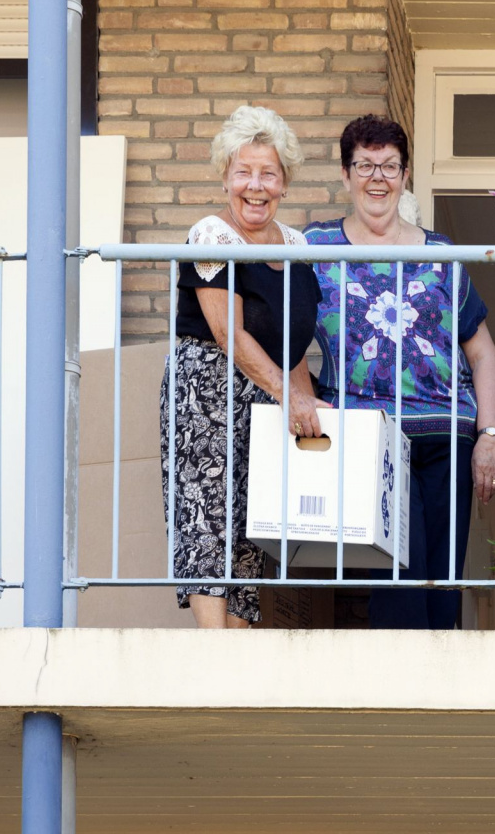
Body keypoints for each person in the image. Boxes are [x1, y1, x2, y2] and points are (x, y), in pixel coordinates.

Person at [305, 114, 495, 629]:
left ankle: (439, 702)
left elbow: (483, 354)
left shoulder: (443, 256)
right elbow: (283, 340)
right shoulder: (315, 249)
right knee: (398, 576)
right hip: (368, 437)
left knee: (443, 584)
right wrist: (305, 398)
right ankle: (401, 697)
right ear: (346, 175)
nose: (378, 177)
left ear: (406, 173)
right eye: (365, 165)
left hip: (447, 435)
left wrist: (489, 434)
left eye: (390, 166)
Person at [159, 104, 329, 629]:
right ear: (226, 178)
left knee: (255, 523)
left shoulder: (297, 246)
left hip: (267, 396)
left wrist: (313, 407)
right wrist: (291, 396)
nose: (255, 186)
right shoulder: (212, 234)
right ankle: (215, 652)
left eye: (268, 173)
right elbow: (228, 334)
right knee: (209, 517)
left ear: (285, 182)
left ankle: (237, 652)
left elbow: (292, 345)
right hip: (205, 394)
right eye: (243, 172)